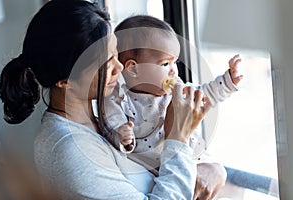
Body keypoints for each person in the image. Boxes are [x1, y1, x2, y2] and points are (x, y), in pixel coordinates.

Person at [0, 0, 212, 199]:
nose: (120, 67)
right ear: (66, 80)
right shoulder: (68, 151)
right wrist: (178, 138)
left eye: (116, 54)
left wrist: (213, 169)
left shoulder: (111, 112)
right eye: (106, 62)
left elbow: (160, 165)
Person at [102, 15, 243, 199]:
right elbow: (111, 123)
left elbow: (205, 94)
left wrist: (228, 81)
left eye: (174, 62)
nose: (173, 70)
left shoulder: (176, 92)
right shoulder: (120, 100)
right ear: (133, 69)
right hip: (156, 172)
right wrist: (120, 133)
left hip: (190, 161)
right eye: (165, 63)